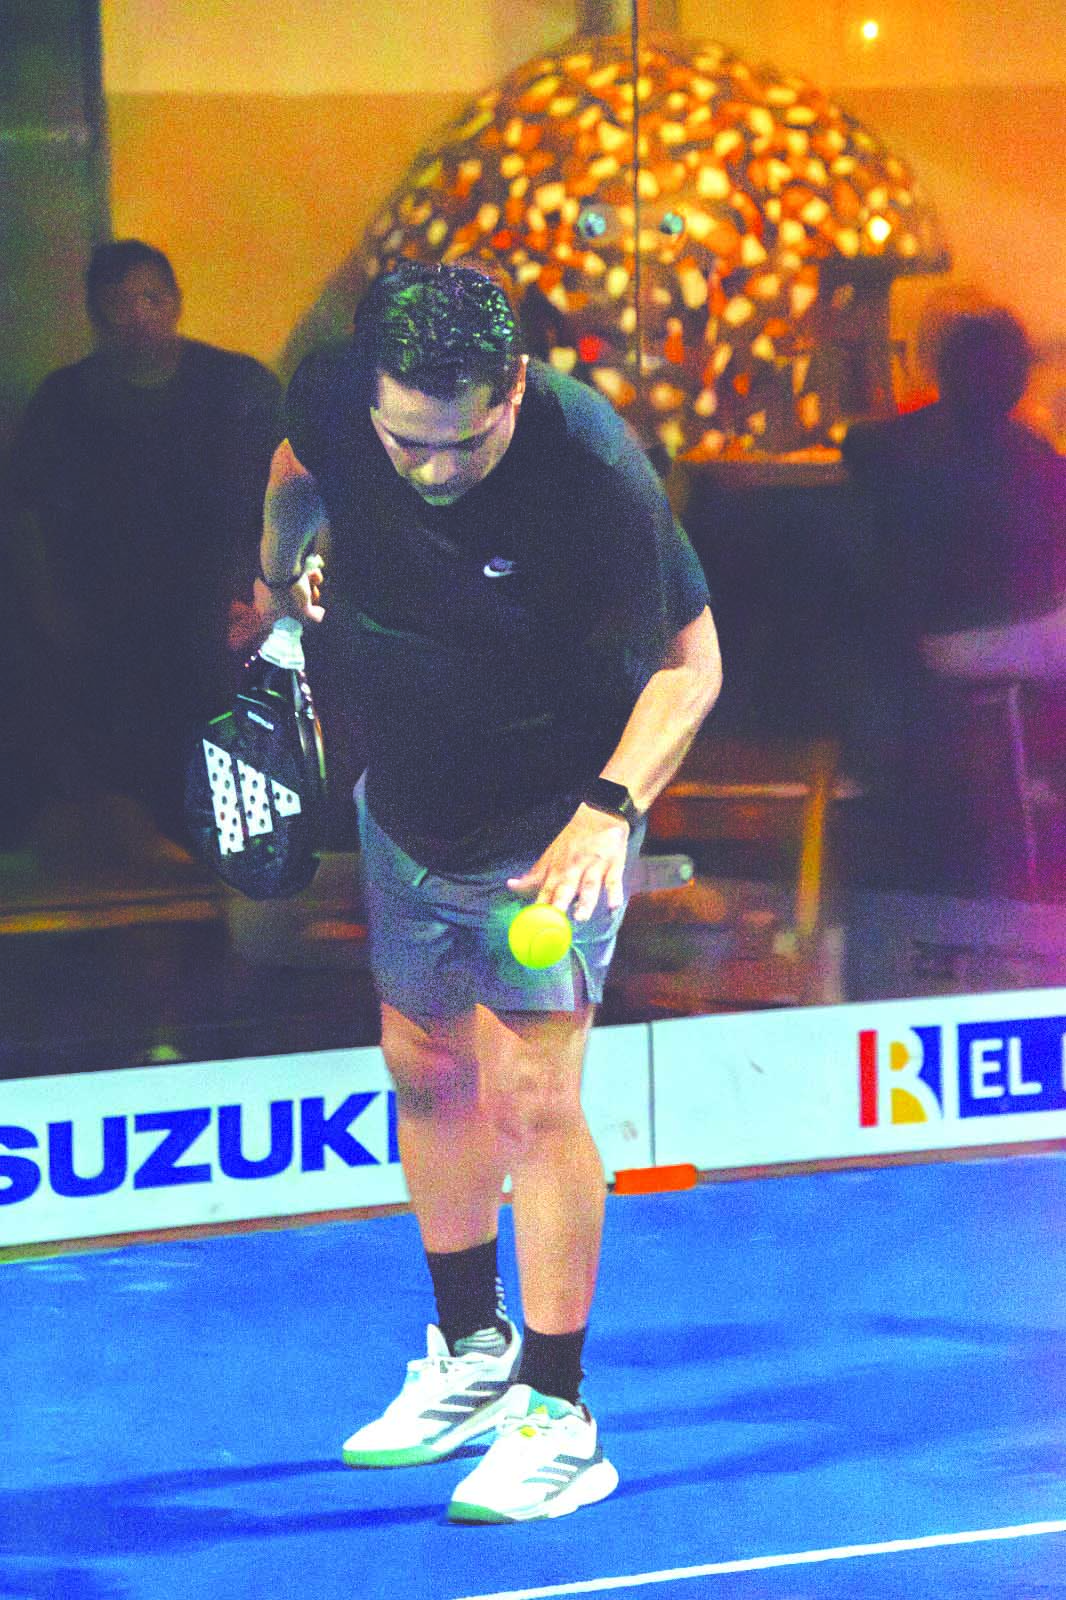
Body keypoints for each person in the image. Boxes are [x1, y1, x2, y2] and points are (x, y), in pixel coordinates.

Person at [251, 261, 721, 1522]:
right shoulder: (335, 400)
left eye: (463, 443)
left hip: (550, 820)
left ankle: (560, 1417)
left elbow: (691, 667)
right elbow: (298, 468)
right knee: (424, 1067)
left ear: (512, 387)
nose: (432, 469)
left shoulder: (592, 466)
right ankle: (470, 1352)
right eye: (406, 441)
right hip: (408, 801)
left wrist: (607, 812)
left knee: (529, 1095)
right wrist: (279, 578)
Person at [6, 240, 283, 847]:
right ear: (96, 312)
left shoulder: (237, 386)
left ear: (176, 302)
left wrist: (272, 594)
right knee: (126, 776)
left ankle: (237, 861)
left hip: (221, 612)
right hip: (111, 622)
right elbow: (27, 511)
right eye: (121, 302)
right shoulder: (65, 401)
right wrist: (49, 605)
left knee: (234, 755)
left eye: (151, 298)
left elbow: (292, 495)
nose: (139, 315)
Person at [841, 303, 1065, 892]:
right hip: (991, 646)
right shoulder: (1031, 455)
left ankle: (1035, 779)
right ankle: (1043, 787)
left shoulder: (885, 446)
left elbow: (857, 447)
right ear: (1019, 377)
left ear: (940, 369)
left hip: (919, 650)